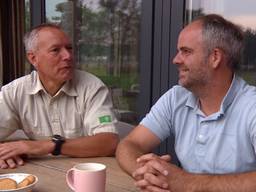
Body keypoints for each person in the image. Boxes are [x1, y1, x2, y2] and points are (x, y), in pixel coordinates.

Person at [116, 14, 256, 192]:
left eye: (186, 51)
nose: (176, 59)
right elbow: (128, 145)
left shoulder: (251, 106)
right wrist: (147, 173)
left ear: (215, 57)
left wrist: (187, 183)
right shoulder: (176, 98)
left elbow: (185, 183)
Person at [0, 23, 119, 169]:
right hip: (41, 171)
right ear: (33, 58)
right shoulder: (14, 91)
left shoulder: (92, 87)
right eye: (55, 50)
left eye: (69, 48)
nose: (68, 56)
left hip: (85, 172)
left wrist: (47, 146)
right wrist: (5, 153)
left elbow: (109, 142)